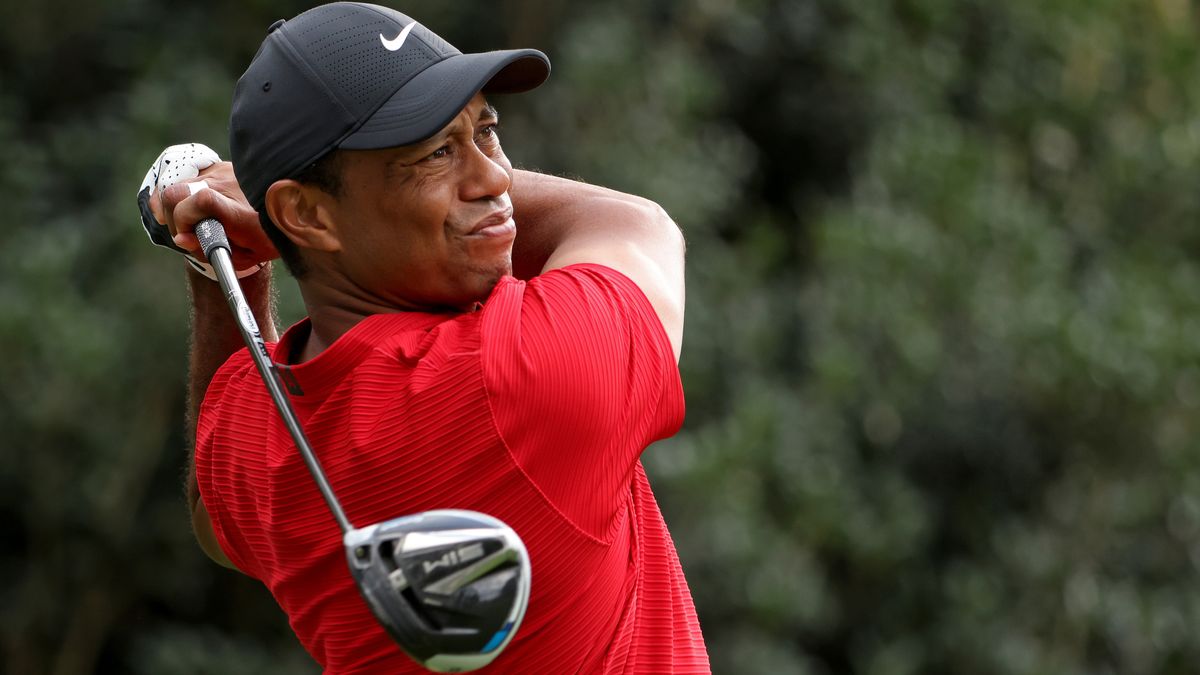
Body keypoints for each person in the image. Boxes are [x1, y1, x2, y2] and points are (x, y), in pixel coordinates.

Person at [140, 3, 709, 672]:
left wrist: (223, 269)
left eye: (486, 131)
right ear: (307, 213)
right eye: (437, 152)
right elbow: (639, 226)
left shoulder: (256, 441)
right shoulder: (520, 378)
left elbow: (217, 518)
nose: (494, 178)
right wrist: (256, 201)